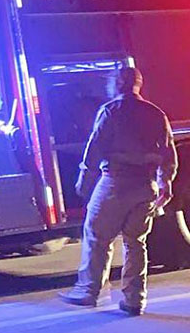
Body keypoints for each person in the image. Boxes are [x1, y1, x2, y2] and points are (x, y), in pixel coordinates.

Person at [59, 66, 177, 315]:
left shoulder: (111, 111)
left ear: (117, 84)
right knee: (136, 242)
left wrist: (84, 180)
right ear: (139, 84)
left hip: (115, 181)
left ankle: (88, 291)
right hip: (146, 185)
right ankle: (135, 300)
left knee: (97, 235)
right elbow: (168, 153)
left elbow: (95, 146)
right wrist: (165, 182)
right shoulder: (155, 113)